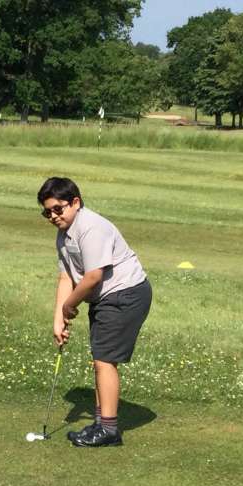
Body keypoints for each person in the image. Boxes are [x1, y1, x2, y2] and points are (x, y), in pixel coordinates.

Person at [37, 177, 152, 447]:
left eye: (58, 209)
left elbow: (92, 277)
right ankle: (102, 424)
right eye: (47, 212)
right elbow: (66, 277)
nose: (53, 216)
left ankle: (109, 430)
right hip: (107, 296)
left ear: (75, 202)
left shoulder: (91, 227)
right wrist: (58, 319)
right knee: (100, 358)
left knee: (104, 360)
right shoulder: (64, 234)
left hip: (126, 293)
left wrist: (69, 306)